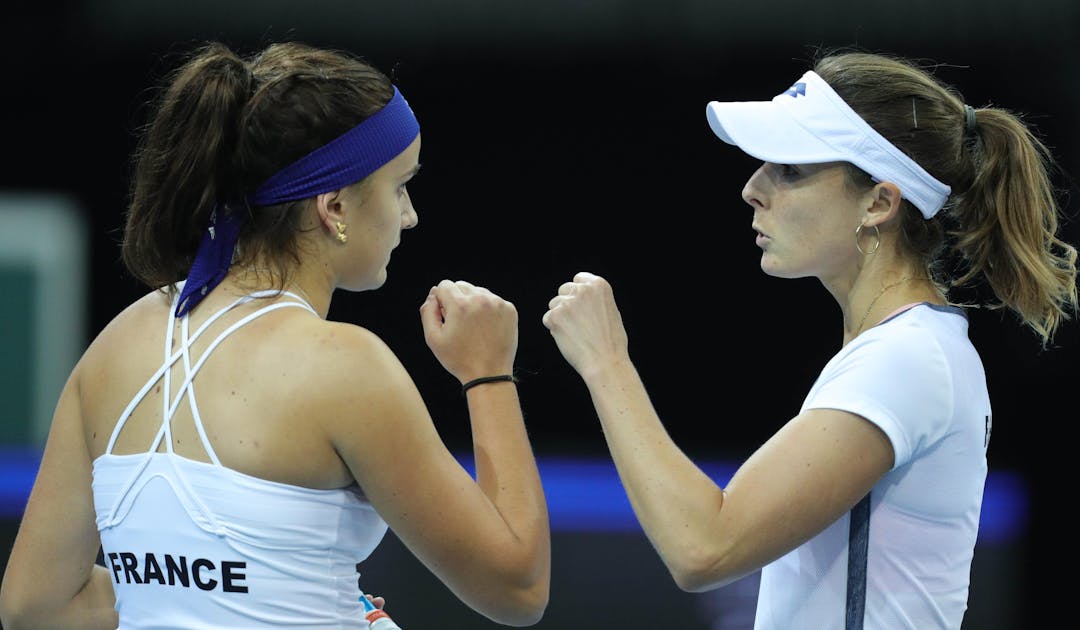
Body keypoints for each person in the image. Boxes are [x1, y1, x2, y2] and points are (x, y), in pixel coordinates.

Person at [0, 40, 550, 629]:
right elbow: (517, 587)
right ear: (334, 206)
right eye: (399, 186)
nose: (409, 215)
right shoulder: (345, 368)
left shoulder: (117, 343)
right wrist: (488, 371)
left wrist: (260, 591)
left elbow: (36, 607)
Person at [542, 49, 1077, 629]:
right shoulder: (903, 351)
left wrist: (605, 362)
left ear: (879, 203)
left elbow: (703, 547)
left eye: (790, 170)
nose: (752, 187)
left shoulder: (908, 359)